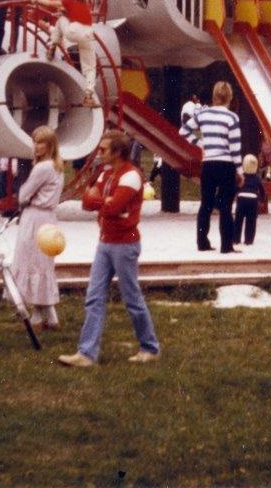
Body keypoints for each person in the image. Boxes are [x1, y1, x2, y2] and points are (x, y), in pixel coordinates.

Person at [59, 130, 160, 367]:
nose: (99, 153)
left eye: (104, 150)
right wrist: (104, 202)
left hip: (125, 245)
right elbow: (86, 202)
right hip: (105, 242)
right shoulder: (106, 173)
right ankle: (87, 353)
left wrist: (101, 201)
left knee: (131, 298)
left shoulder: (132, 176)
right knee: (94, 297)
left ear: (118, 152)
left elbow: (113, 208)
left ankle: (149, 347)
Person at [9, 126, 63, 331]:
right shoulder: (57, 166)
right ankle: (49, 317)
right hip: (48, 217)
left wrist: (23, 196)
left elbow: (24, 194)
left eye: (41, 142)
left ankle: (39, 318)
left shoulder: (42, 168)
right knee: (42, 265)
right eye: (35, 142)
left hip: (35, 217)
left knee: (32, 263)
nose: (36, 146)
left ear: (50, 145)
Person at [181, 82, 242, 253]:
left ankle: (202, 242)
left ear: (214, 96)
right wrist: (240, 171)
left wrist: (201, 144)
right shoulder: (232, 118)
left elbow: (183, 131)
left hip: (208, 164)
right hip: (226, 164)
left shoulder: (204, 114)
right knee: (226, 207)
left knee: (206, 204)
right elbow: (235, 147)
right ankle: (226, 245)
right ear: (229, 97)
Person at [39, 0, 98, 106]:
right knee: (90, 67)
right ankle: (88, 96)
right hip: (88, 34)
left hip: (74, 32)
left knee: (60, 21)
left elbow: (49, 2)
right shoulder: (85, 5)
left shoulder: (69, 2)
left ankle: (52, 47)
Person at [233, 154, 266, 247]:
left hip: (242, 198)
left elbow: (236, 187)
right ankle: (249, 240)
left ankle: (236, 239)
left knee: (238, 220)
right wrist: (262, 199)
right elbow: (262, 190)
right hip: (253, 200)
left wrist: (233, 195)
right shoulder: (257, 178)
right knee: (251, 221)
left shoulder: (241, 177)